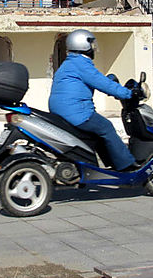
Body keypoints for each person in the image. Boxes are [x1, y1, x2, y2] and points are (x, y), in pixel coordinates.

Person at [49, 29, 137, 171]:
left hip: (63, 110)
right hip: (75, 111)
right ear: (83, 45)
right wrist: (129, 93)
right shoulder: (81, 63)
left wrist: (111, 82)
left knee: (97, 131)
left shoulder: (71, 63)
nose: (94, 48)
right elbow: (101, 83)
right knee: (106, 127)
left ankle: (112, 163)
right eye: (92, 44)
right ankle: (126, 165)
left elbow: (99, 80)